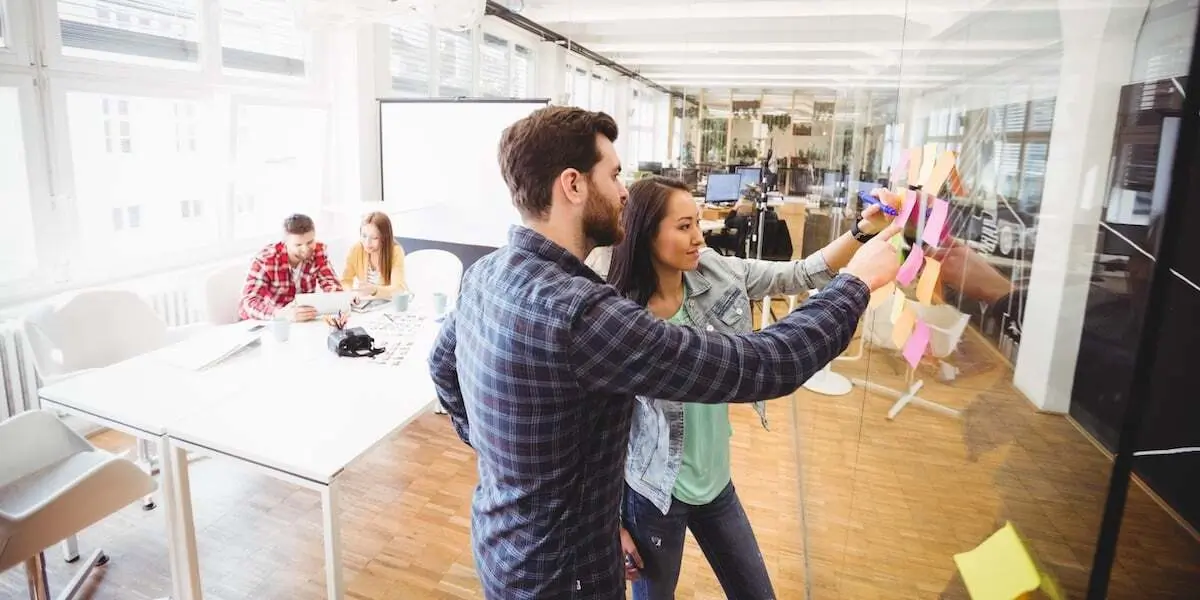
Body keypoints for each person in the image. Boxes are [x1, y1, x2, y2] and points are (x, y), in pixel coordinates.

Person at [427, 106, 902, 599]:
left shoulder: (487, 274)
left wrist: (510, 470)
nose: (623, 190)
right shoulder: (583, 315)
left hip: (501, 550)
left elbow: (443, 371)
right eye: (612, 175)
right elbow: (764, 365)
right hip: (567, 577)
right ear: (572, 185)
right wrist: (857, 284)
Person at [587, 176, 895, 599]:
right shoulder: (620, 317)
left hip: (715, 483)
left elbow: (802, 273)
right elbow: (597, 431)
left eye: (697, 222)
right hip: (656, 494)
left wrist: (863, 231)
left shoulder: (713, 270)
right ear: (645, 233)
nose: (699, 237)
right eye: (684, 227)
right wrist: (611, 523)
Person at [238, 213, 342, 321]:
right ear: (285, 243)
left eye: (310, 242)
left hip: (303, 321)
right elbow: (248, 302)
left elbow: (331, 284)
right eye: (298, 245)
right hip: (271, 321)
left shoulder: (318, 252)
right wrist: (282, 314)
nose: (305, 249)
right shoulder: (265, 260)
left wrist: (335, 298)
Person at [341, 211, 408, 300]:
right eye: (364, 236)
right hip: (367, 304)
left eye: (374, 238)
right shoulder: (356, 249)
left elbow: (398, 289)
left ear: (384, 238)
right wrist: (349, 295)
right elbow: (345, 281)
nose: (367, 243)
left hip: (391, 304)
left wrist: (374, 290)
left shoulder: (395, 251)